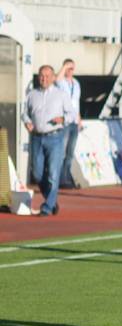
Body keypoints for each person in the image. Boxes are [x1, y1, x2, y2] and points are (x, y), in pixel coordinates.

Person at [22, 65, 75, 216]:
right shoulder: (32, 94)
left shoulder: (61, 95)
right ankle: (51, 201)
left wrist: (62, 119)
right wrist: (27, 121)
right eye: (41, 76)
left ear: (53, 77)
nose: (44, 79)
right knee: (37, 174)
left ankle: (46, 207)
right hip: (37, 137)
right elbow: (24, 113)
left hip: (55, 137)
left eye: (47, 76)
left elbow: (72, 114)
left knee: (53, 173)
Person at [55, 58, 81, 189]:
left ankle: (65, 178)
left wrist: (79, 120)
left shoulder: (76, 83)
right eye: (68, 68)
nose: (71, 71)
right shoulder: (61, 83)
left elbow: (77, 103)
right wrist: (64, 67)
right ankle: (58, 179)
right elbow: (57, 79)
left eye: (72, 68)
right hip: (65, 120)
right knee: (62, 152)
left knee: (70, 153)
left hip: (74, 121)